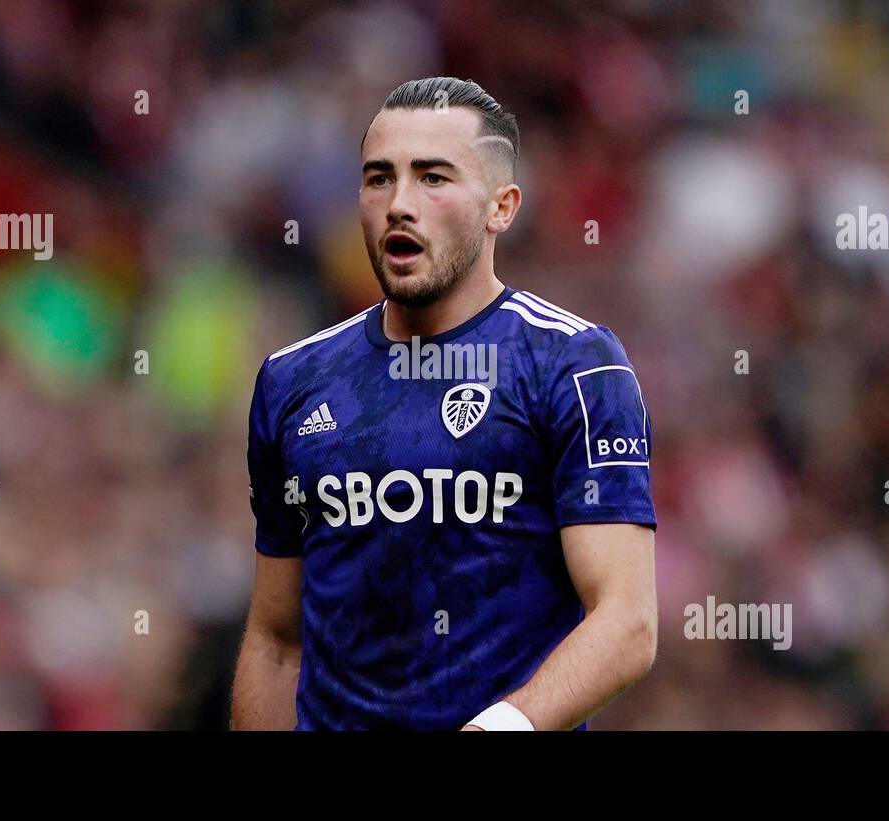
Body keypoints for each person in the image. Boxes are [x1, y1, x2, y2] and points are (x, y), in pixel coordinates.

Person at [231, 77, 657, 730]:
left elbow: (627, 621)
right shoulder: (293, 381)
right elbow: (276, 638)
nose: (400, 203)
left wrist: (499, 728)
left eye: (433, 178)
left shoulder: (574, 365)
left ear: (501, 206)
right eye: (379, 179)